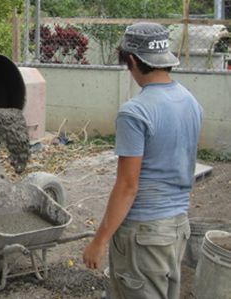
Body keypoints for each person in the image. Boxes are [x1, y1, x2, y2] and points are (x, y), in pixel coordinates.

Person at [82, 22, 203, 299]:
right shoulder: (190, 101)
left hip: (143, 235)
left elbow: (127, 186)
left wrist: (99, 241)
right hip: (176, 227)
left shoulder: (135, 112)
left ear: (133, 60)